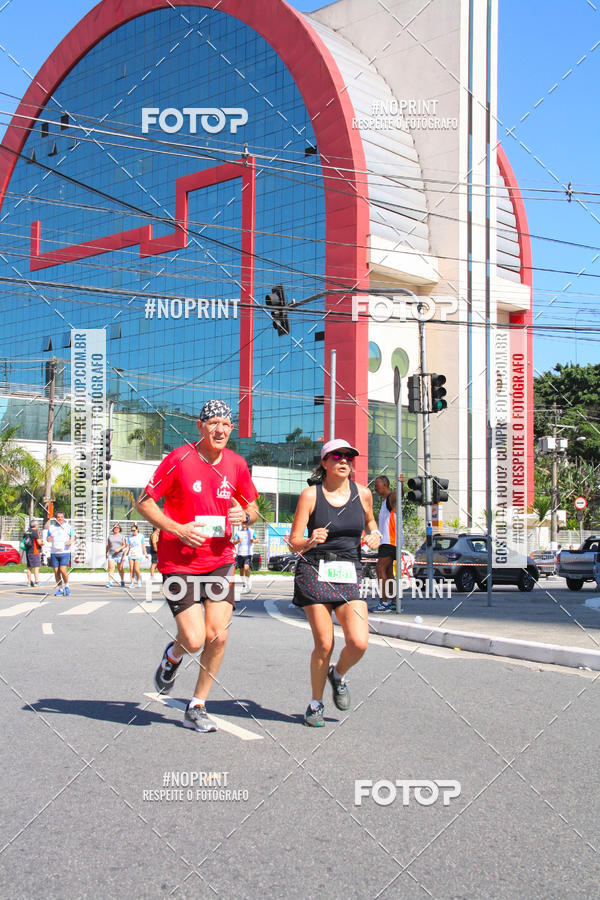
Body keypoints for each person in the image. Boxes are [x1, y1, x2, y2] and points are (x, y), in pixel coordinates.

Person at [137, 399, 259, 734]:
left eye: (226, 424)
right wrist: (176, 528)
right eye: (213, 423)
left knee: (217, 635)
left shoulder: (236, 464)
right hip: (178, 563)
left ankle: (197, 705)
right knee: (193, 639)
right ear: (199, 426)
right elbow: (144, 502)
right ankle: (173, 657)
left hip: (219, 560)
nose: (220, 430)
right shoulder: (179, 459)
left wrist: (244, 516)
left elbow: (252, 507)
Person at [289, 438, 381, 727]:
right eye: (336, 456)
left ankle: (337, 675)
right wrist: (309, 540)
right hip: (314, 569)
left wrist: (375, 535)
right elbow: (293, 543)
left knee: (359, 642)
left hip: (348, 571)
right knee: (325, 642)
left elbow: (372, 524)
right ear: (324, 463)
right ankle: (315, 705)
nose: (344, 461)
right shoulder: (311, 496)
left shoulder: (363, 494)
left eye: (348, 457)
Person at [373, 476, 398, 612]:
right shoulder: (384, 502)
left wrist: (400, 485)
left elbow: (397, 495)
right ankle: (394, 602)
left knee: (379, 569)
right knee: (388, 572)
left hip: (390, 541)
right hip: (386, 541)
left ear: (385, 484)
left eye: (377, 485)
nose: (375, 488)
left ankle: (383, 603)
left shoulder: (390, 499)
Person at [45, 511, 73, 596]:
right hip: (54, 552)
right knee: (56, 572)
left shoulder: (68, 527)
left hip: (65, 552)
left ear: (63, 518)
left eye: (61, 517)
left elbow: (73, 536)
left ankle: (67, 586)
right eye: (58, 517)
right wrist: (48, 539)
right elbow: (47, 538)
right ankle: (60, 589)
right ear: (56, 518)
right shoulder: (51, 527)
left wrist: (70, 541)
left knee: (62, 570)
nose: (60, 518)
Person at [233, 521, 258, 593]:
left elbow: (257, 539)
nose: (244, 525)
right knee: (241, 571)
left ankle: (248, 582)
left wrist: (253, 540)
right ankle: (244, 584)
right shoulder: (238, 532)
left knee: (246, 568)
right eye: (243, 523)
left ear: (247, 524)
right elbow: (234, 542)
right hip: (240, 553)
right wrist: (238, 540)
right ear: (241, 524)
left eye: (245, 523)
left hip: (248, 553)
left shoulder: (251, 531)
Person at [23, 519, 42, 587]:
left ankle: (28, 582)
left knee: (29, 567)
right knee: (36, 567)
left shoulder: (27, 532)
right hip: (35, 551)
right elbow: (39, 542)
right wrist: (43, 543)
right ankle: (36, 581)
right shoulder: (35, 532)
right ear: (35, 525)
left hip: (28, 551)